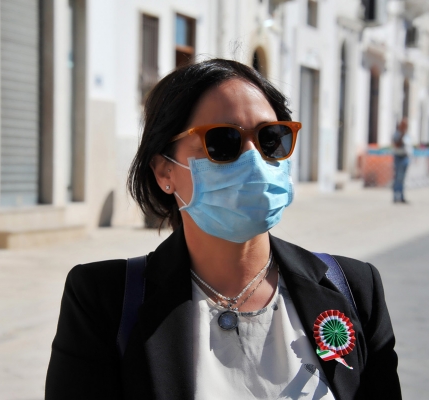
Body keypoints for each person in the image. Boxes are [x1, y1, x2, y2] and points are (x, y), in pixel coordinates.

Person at [45, 59, 401, 399]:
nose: (255, 159)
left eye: (270, 138)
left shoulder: (353, 288)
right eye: (222, 142)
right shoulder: (103, 301)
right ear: (164, 170)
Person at [392, 117, 411, 203]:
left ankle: (402, 196)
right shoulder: (397, 134)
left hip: (406, 158)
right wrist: (401, 135)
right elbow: (396, 145)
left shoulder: (407, 135)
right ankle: (396, 196)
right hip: (399, 157)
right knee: (398, 178)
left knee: (403, 179)